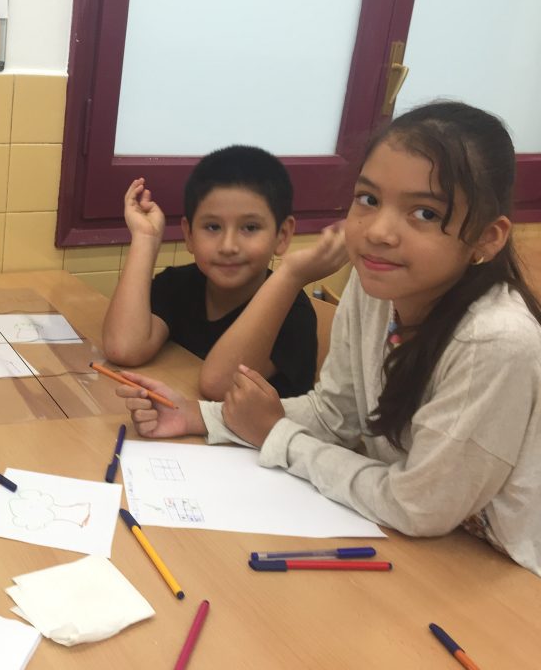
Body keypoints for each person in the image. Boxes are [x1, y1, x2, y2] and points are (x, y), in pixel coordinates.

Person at [119, 102, 541, 577]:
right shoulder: (375, 285)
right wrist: (200, 416)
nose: (378, 232)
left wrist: (277, 436)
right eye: (369, 199)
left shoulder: (494, 341)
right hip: (424, 546)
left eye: (425, 212)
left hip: (504, 570)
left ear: (487, 238)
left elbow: (417, 506)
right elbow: (335, 416)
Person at [103, 146, 337, 399]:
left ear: (282, 235)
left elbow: (219, 386)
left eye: (250, 227)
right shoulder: (179, 284)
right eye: (213, 227)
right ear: (189, 235)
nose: (228, 246)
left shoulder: (291, 311)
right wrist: (145, 238)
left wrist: (291, 275)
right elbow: (123, 348)